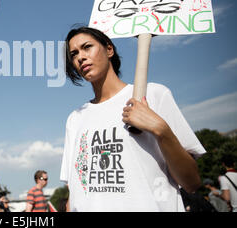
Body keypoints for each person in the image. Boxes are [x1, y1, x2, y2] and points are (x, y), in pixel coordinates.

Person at [60, 25, 205, 212]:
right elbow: (75, 189)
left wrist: (161, 130)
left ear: (109, 49)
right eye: (73, 54)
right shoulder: (75, 118)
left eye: (87, 47)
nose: (80, 57)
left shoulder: (153, 95)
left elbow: (191, 182)